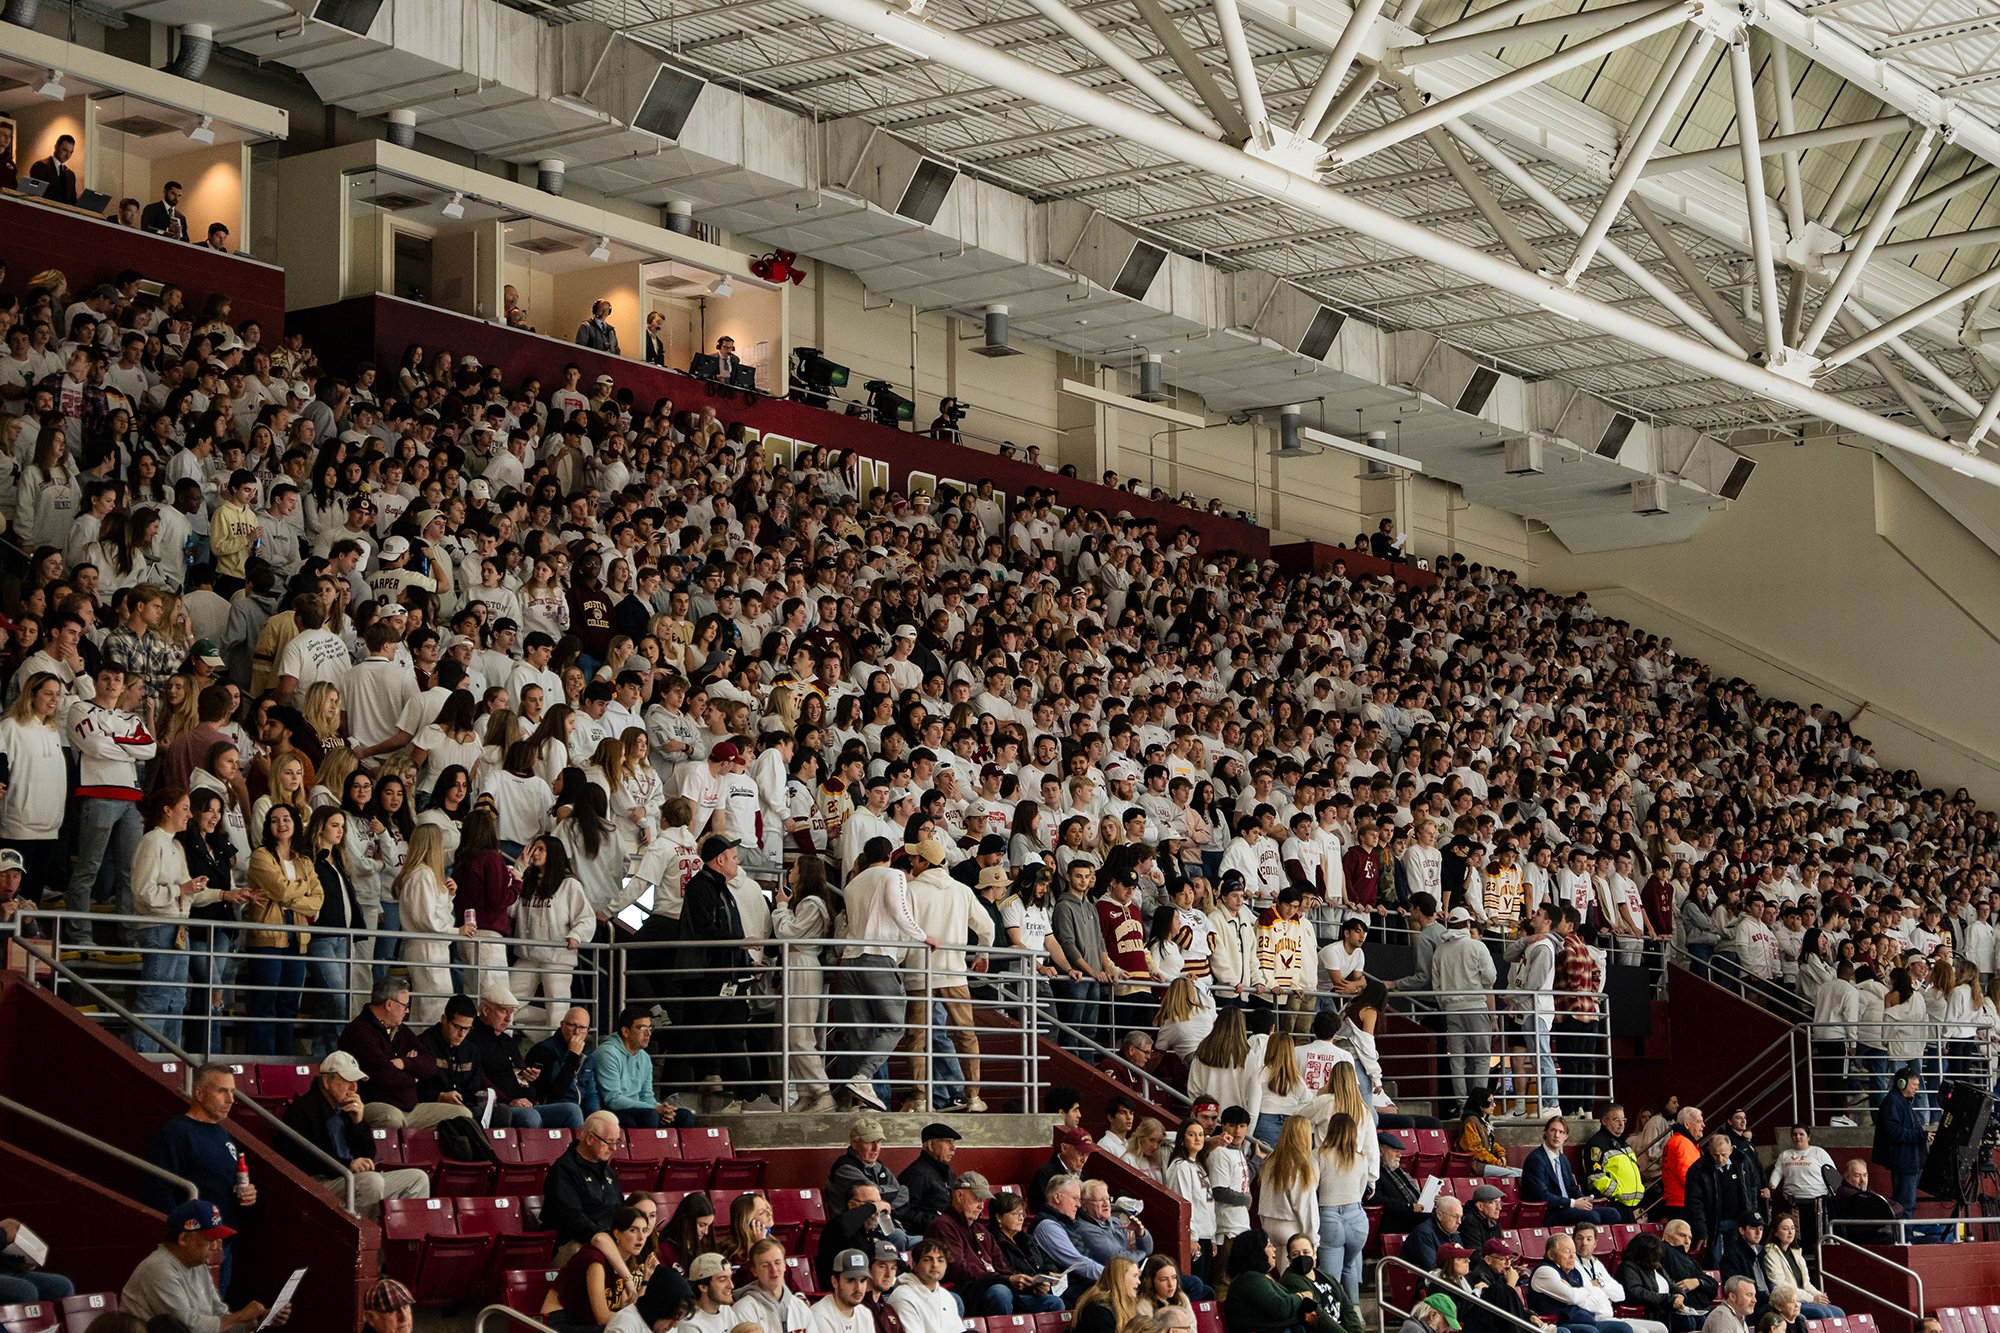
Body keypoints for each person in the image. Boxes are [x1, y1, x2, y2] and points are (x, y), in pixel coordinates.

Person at [141, 1064, 257, 1296]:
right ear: (200, 1093)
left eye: (233, 1092)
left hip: (222, 1241)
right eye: (222, 1091)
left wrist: (247, 1193)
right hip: (194, 1246)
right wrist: (184, 1238)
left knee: (214, 1311)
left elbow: (225, 1180)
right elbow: (157, 1188)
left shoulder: (222, 1134)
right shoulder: (176, 1133)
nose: (230, 1099)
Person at [276, 1051, 433, 1218]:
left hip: (350, 1177)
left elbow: (368, 1155)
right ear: (327, 1081)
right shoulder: (303, 1109)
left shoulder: (348, 1108)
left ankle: (400, 1242)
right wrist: (347, 1164)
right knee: (371, 1182)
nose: (353, 1088)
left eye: (355, 1082)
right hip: (321, 1180)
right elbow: (304, 1158)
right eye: (347, 1081)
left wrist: (359, 1123)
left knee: (417, 1179)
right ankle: (363, 1241)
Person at [120, 1201, 289, 1333]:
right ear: (184, 1238)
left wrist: (258, 1320)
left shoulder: (197, 1265)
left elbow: (220, 1319)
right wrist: (239, 1317)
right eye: (210, 1240)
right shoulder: (159, 1268)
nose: (216, 1246)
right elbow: (187, 1328)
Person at [336, 976, 473, 1129]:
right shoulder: (359, 1032)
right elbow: (385, 1076)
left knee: (463, 1115)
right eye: (404, 1005)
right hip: (371, 1103)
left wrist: (405, 1063)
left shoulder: (400, 1029)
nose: (407, 1010)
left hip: (410, 1107)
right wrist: (414, 1077)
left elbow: (430, 1064)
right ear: (389, 1004)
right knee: (391, 1118)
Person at [926, 1169, 1059, 1316]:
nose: (981, 1206)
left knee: (1053, 1302)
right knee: (1001, 1292)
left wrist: (1028, 1286)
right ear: (959, 1195)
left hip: (995, 1285)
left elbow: (1001, 1267)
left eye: (983, 1201)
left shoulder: (980, 1230)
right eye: (977, 1198)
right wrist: (1006, 1280)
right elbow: (959, 1270)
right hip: (966, 1292)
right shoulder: (943, 1225)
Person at [541, 1204, 650, 1333]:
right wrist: (641, 1324)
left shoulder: (621, 1264)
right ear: (617, 1234)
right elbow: (602, 1317)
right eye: (633, 1230)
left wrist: (645, 1282)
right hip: (557, 1323)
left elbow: (626, 1309)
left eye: (644, 1230)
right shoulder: (596, 1260)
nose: (641, 1237)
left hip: (582, 1323)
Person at [544, 1111, 627, 1260]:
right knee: (595, 1255)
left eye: (617, 1141)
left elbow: (620, 1209)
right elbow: (572, 1218)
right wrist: (606, 1238)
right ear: (590, 1138)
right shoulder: (564, 1170)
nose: (614, 1148)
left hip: (608, 1241)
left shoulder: (608, 1171)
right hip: (575, 1244)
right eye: (609, 1142)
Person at [593, 1003, 680, 1128]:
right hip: (612, 1110)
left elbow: (647, 1096)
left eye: (650, 1028)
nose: (648, 1034)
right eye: (642, 1028)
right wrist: (654, 1108)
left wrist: (664, 1110)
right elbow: (613, 1100)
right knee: (649, 1116)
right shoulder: (607, 1053)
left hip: (640, 1109)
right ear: (625, 1032)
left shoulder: (644, 1057)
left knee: (683, 1116)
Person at [1523, 1117, 1623, 1225]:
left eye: (1561, 1132)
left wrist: (1583, 1200)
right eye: (1553, 1130)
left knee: (1613, 1213)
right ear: (1545, 1132)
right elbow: (1541, 1194)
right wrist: (1573, 1203)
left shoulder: (1563, 1159)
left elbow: (1571, 1188)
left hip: (1568, 1207)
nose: (1557, 1135)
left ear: (1565, 1137)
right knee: (1592, 1217)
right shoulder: (1536, 1159)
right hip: (1550, 1211)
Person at [1529, 1233, 1633, 1333]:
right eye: (1567, 1252)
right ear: (1551, 1255)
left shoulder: (1574, 1271)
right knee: (1589, 1331)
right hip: (1557, 1323)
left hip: (1582, 1319)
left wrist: (1577, 1292)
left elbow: (1592, 1295)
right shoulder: (1544, 1271)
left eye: (1574, 1252)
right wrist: (1580, 1293)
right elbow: (1572, 1297)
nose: (1572, 1256)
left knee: (1624, 1328)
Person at [1220, 1228, 1314, 1333]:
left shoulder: (1259, 1276)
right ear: (1257, 1252)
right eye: (1269, 1246)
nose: (1274, 1249)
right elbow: (1281, 1308)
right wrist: (1302, 1296)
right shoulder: (1250, 1279)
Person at [1758, 1213, 1841, 1320]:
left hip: (1804, 1299)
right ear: (1775, 1233)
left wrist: (1819, 1296)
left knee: (1839, 1312)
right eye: (1785, 1229)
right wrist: (1812, 1299)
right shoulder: (1770, 1252)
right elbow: (1781, 1285)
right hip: (1788, 1302)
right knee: (1822, 1313)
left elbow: (1806, 1283)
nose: (1790, 1232)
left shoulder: (1796, 1252)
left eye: (1792, 1228)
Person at [1872, 1067, 1927, 1218]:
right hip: (1904, 1161)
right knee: (1905, 1204)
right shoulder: (1893, 1102)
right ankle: (1904, 1237)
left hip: (1910, 1161)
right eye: (1914, 1085)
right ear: (1901, 1083)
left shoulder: (1903, 1102)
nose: (1917, 1088)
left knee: (1908, 1203)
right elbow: (1894, 1132)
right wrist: (1921, 1135)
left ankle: (1905, 1235)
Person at [737, 1236, 813, 1333]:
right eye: (765, 1265)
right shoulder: (743, 1311)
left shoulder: (800, 1308)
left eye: (777, 1263)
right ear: (754, 1271)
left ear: (785, 1266)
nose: (773, 1270)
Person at [897, 1122, 960, 1234]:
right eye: (948, 1142)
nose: (953, 1148)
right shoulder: (916, 1174)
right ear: (931, 1146)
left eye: (953, 1142)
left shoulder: (948, 1171)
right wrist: (937, 1221)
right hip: (928, 1236)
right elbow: (904, 1211)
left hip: (948, 1231)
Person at [886, 1239, 960, 1333]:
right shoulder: (902, 1296)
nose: (935, 1265)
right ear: (915, 1265)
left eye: (940, 1260)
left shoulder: (947, 1296)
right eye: (927, 1260)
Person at [808, 1248, 874, 1333]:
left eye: (862, 1281)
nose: (858, 1288)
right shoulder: (819, 1316)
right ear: (834, 1281)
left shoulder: (865, 1313)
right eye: (850, 1281)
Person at [1072, 1255, 1140, 1333]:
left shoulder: (1127, 1303)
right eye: (1135, 1276)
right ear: (1119, 1278)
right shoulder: (1098, 1308)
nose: (1138, 1282)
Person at [683, 1251, 740, 1333]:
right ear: (703, 1287)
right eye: (722, 1280)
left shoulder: (726, 1310)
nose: (731, 1285)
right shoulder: (690, 1324)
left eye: (730, 1277)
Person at [29, 135, 79, 206]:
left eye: (71, 152)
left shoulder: (70, 175)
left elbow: (72, 200)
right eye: (65, 150)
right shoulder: (40, 166)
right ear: (56, 147)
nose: (68, 155)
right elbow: (35, 194)